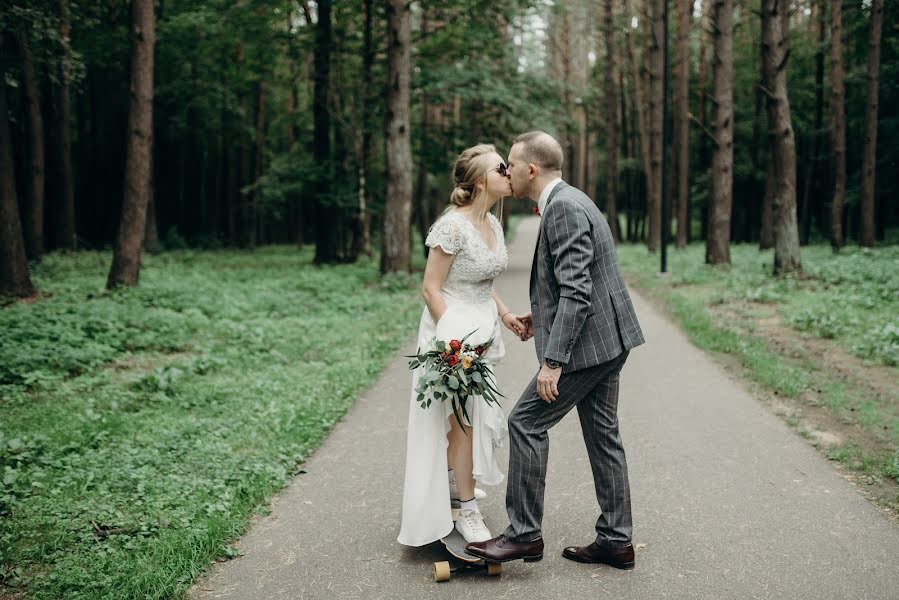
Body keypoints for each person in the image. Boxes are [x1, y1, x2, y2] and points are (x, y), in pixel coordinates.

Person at [466, 131, 646, 569]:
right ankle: (616, 541)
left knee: (526, 423)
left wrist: (553, 361)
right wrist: (539, 316)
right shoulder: (572, 199)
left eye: (511, 163)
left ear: (531, 169)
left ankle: (523, 535)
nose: (507, 171)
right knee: (603, 438)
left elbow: (578, 291)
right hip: (609, 339)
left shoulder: (563, 207)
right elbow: (576, 283)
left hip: (590, 346)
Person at [397, 144, 527, 547]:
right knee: (461, 423)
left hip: (481, 332)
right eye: (500, 167)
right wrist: (454, 348)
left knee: (468, 420)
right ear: (479, 180)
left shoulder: (494, 223)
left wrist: (503, 315)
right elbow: (430, 289)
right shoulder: (452, 226)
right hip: (450, 335)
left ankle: (458, 491)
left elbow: (481, 283)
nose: (509, 172)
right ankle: (468, 512)